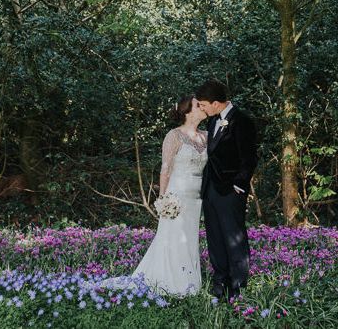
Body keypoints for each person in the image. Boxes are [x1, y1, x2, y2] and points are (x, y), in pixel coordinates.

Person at [100, 95, 208, 296]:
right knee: (175, 237)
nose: (202, 107)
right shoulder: (174, 136)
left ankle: (191, 280)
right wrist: (163, 199)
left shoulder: (206, 136)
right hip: (178, 196)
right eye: (197, 105)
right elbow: (165, 169)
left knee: (190, 238)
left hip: (197, 198)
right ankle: (173, 283)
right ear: (187, 111)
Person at [195, 79, 258, 300]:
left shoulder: (242, 121)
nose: (201, 108)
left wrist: (239, 186)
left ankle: (238, 284)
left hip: (231, 192)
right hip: (211, 189)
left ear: (215, 103)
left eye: (203, 104)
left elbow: (249, 158)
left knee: (234, 237)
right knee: (215, 237)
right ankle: (220, 279)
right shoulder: (213, 122)